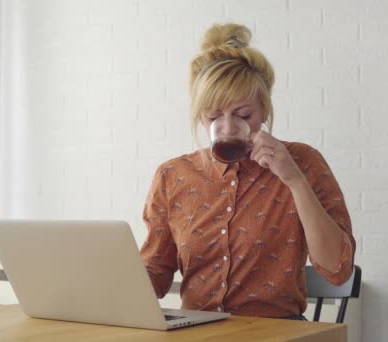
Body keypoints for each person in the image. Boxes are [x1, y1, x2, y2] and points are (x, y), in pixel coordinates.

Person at [139, 23, 355, 320]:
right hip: (198, 333)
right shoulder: (172, 175)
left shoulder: (302, 162)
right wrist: (107, 286)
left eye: (243, 115)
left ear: (264, 110)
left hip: (275, 333)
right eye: (213, 116)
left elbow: (338, 269)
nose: (228, 128)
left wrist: (294, 181)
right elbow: (156, 270)